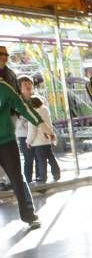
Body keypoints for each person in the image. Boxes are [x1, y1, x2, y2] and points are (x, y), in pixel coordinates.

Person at [0, 77, 47, 227]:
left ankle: (28, 215)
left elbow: (22, 106)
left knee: (17, 179)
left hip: (6, 141)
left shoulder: (3, 88)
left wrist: (40, 123)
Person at [25, 96, 60, 184]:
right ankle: (56, 173)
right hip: (46, 140)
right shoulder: (45, 111)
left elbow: (32, 129)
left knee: (41, 160)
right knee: (51, 158)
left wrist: (28, 141)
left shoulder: (34, 114)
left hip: (38, 142)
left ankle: (42, 177)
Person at [15, 75, 35, 184]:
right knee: (28, 158)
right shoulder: (17, 100)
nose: (28, 86)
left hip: (36, 133)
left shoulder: (37, 99)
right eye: (25, 84)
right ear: (19, 87)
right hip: (23, 134)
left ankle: (40, 177)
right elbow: (18, 118)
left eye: (29, 83)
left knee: (39, 156)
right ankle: (27, 181)